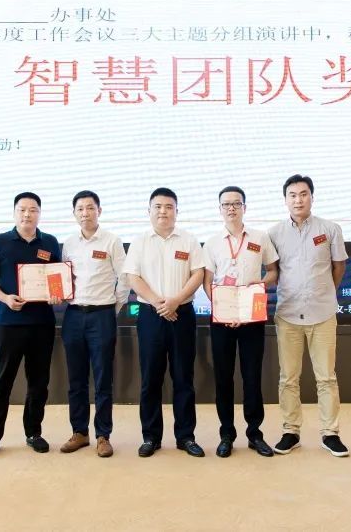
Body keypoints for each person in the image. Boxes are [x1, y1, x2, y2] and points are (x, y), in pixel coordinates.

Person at [268, 174, 351, 457]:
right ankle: (291, 431)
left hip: (323, 313)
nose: (298, 200)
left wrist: (325, 292)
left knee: (326, 378)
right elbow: (273, 271)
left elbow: (339, 267)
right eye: (292, 195)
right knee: (288, 378)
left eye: (303, 194)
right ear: (285, 200)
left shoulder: (330, 229)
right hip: (288, 314)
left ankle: (330, 434)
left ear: (312, 197)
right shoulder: (274, 233)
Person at [0, 192, 62, 458]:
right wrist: (4, 298)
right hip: (9, 323)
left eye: (33, 210)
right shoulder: (0, 241)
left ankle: (33, 433)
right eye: (22, 209)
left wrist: (57, 294)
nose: (27, 214)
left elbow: (57, 279)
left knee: (38, 383)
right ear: (15, 213)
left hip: (42, 324)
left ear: (40, 213)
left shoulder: (50, 242)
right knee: (1, 382)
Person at [124, 188, 206, 458]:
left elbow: (198, 274)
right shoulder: (140, 242)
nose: (163, 211)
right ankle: (151, 437)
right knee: (151, 379)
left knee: (184, 378)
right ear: (148, 211)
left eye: (169, 207)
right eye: (157, 206)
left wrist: (176, 301)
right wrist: (160, 303)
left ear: (176, 211)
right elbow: (133, 278)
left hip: (182, 314)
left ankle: (186, 437)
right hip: (151, 316)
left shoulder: (189, 240)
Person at [202, 186, 279, 458]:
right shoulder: (212, 243)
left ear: (245, 207)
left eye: (236, 203)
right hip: (222, 319)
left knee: (252, 377)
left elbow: (273, 271)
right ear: (220, 209)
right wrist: (224, 309)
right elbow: (207, 281)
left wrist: (259, 286)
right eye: (226, 204)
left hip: (252, 318)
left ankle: (255, 434)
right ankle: (226, 434)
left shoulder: (260, 237)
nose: (231, 208)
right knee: (223, 378)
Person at [59, 190, 127, 458]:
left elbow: (124, 278)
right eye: (80, 209)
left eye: (90, 208)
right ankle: (79, 432)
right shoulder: (68, 243)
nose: (85, 213)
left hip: (102, 315)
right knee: (76, 379)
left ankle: (103, 435)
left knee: (102, 379)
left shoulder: (112, 241)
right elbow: (63, 278)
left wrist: (112, 309)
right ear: (74, 213)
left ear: (99, 211)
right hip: (74, 315)